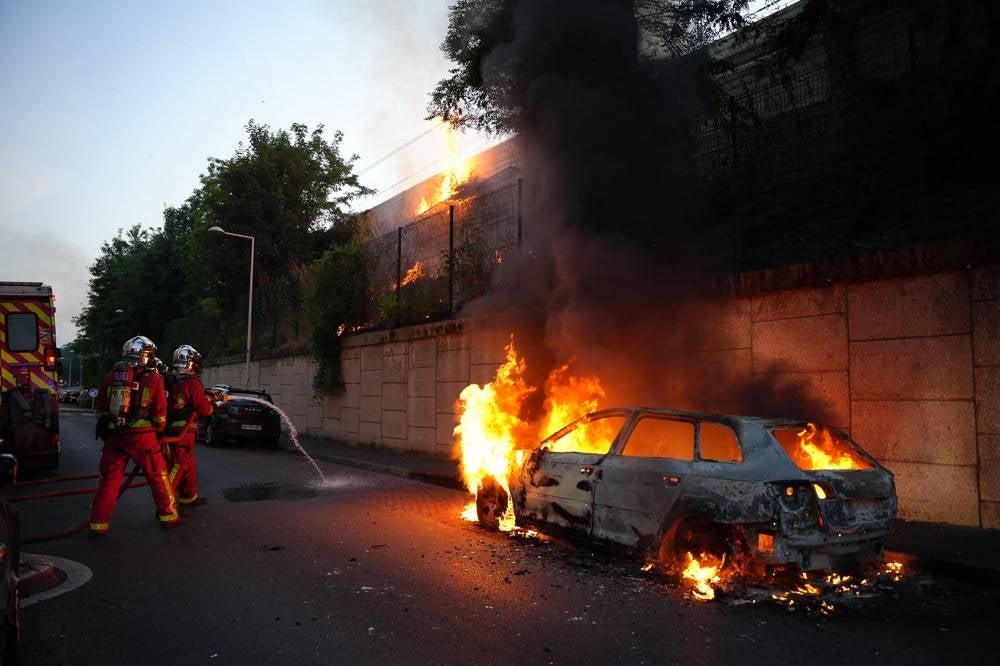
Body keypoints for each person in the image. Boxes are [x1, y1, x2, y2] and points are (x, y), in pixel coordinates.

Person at [89, 335, 179, 536]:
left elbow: (101, 409)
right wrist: (157, 431)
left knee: (108, 481)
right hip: (142, 438)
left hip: (114, 438)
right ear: (146, 357)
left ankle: (98, 525)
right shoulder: (153, 379)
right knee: (158, 475)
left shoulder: (110, 377)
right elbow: (160, 415)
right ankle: (168, 516)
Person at [163, 345, 213, 507]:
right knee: (178, 466)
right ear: (191, 363)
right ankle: (165, 504)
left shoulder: (170, 378)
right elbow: (204, 409)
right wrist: (213, 404)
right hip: (183, 432)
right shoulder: (192, 382)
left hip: (171, 429)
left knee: (189, 465)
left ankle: (188, 496)